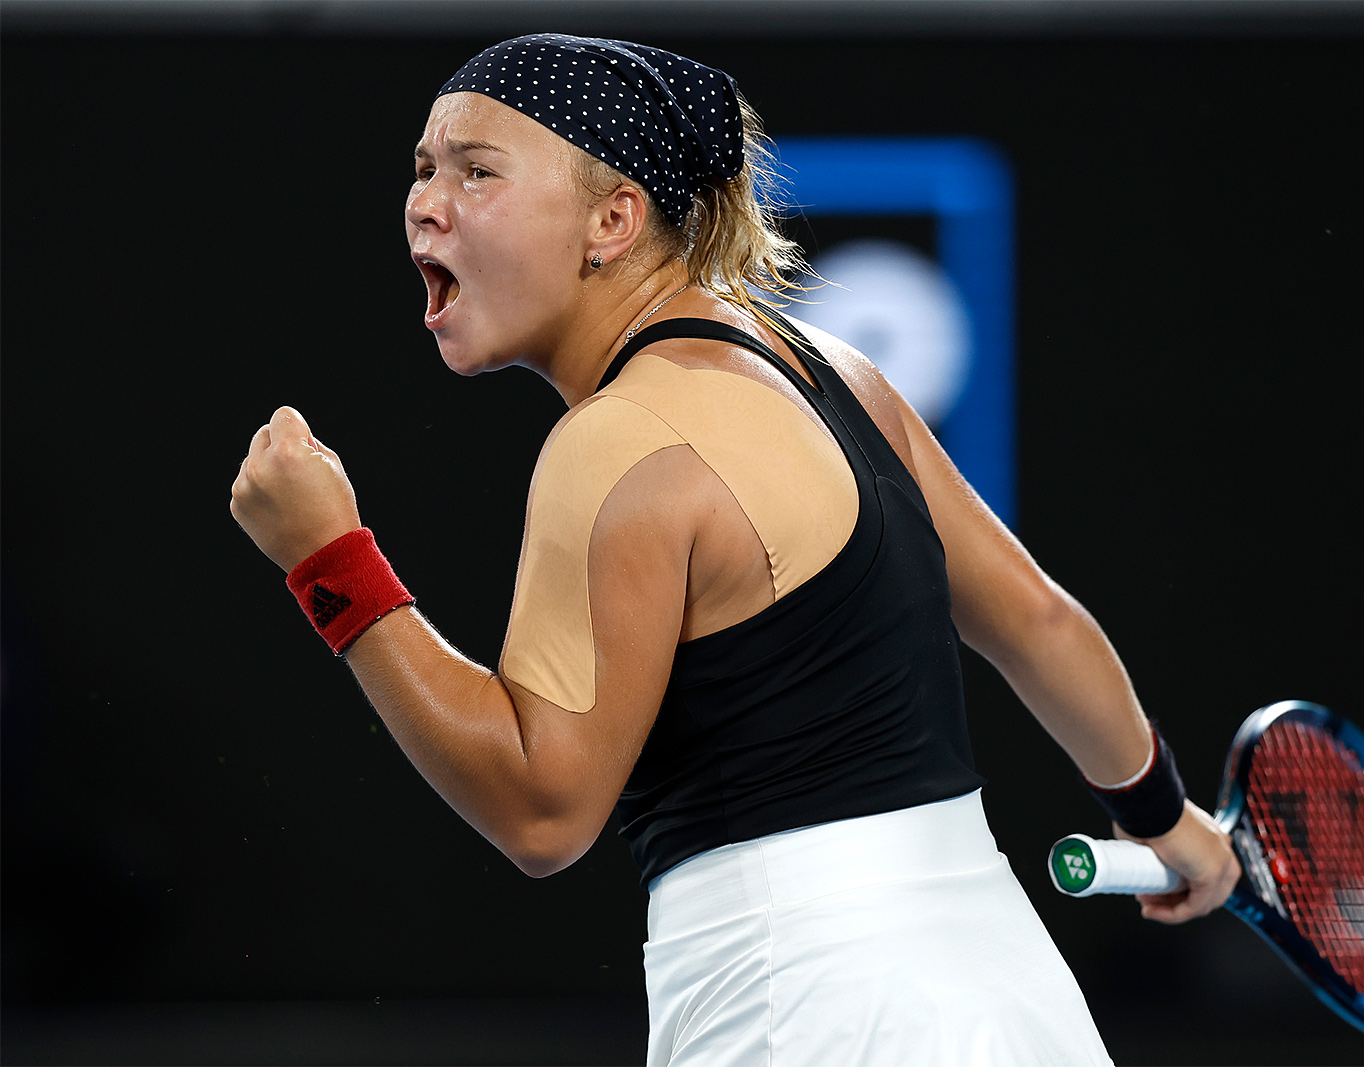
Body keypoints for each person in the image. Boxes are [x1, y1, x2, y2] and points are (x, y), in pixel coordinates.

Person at [230, 33, 1239, 1065]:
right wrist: (1165, 816)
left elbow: (542, 811)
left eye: (477, 171)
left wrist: (329, 559)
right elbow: (1038, 621)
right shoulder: (837, 371)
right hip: (1016, 1002)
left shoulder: (617, 439)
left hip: (803, 1013)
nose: (426, 204)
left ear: (613, 219)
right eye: (423, 169)